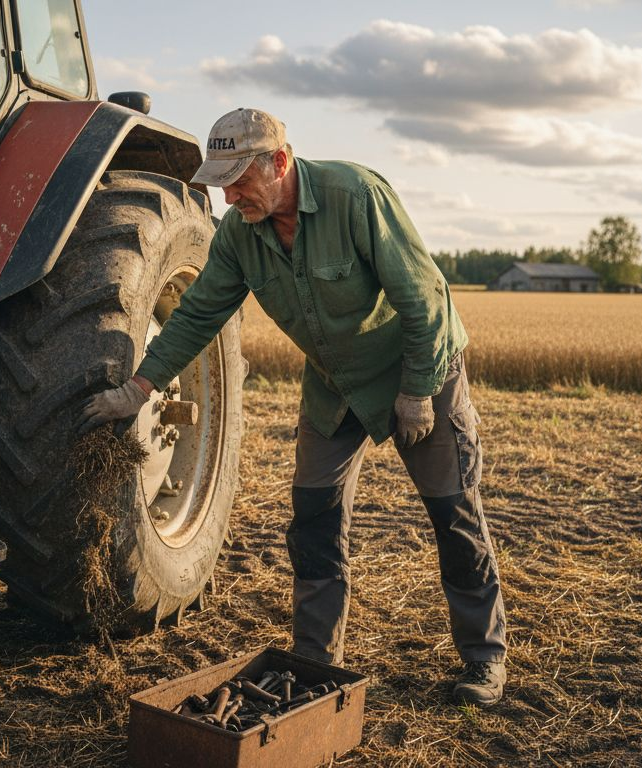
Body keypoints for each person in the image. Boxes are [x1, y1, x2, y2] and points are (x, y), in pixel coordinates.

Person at [79, 108, 507, 706]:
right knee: (314, 518)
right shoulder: (239, 234)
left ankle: (484, 660)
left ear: (279, 161)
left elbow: (426, 300)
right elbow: (198, 315)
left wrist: (416, 393)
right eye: (221, 182)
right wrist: (139, 388)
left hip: (417, 369)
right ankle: (314, 659)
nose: (229, 196)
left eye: (239, 179)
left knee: (453, 512)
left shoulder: (354, 194)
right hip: (336, 385)